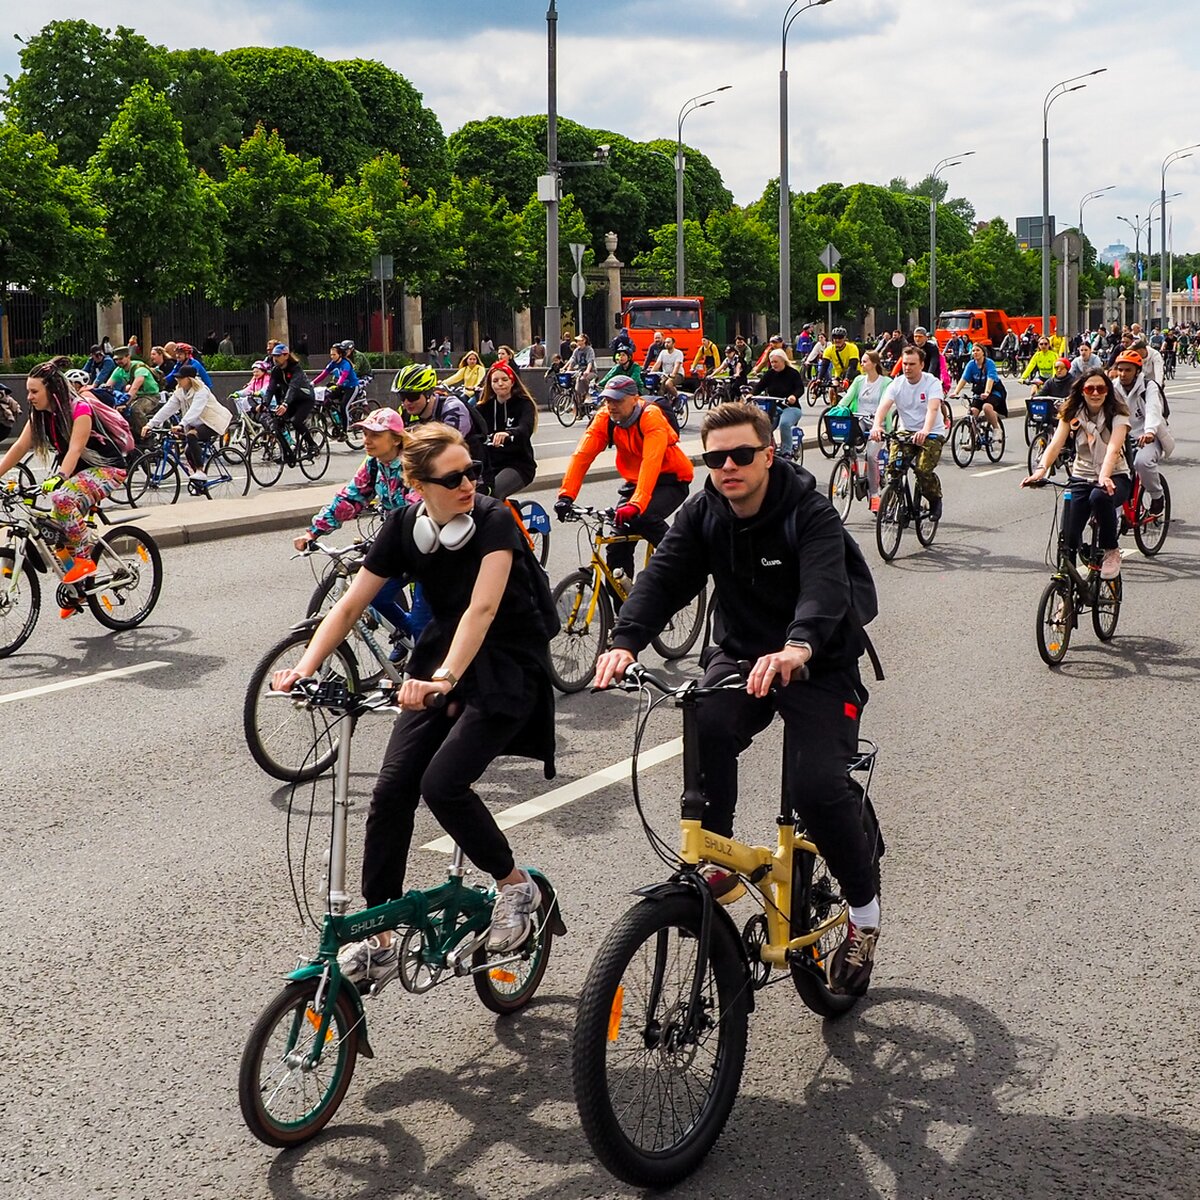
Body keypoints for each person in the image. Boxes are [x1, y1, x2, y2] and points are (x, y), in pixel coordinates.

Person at [593, 400, 882, 996]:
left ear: (768, 455)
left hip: (818, 661)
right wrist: (624, 642)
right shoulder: (703, 513)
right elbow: (665, 579)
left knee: (817, 789)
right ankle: (718, 855)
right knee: (707, 723)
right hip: (744, 654)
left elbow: (825, 589)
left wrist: (798, 647)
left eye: (742, 455)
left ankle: (863, 918)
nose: (728, 466)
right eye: (716, 457)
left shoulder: (810, 512)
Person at [272, 423, 556, 981]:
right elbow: (351, 605)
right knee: (391, 789)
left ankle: (515, 887)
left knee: (442, 785)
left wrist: (447, 677)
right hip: (438, 661)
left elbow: (482, 611)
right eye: (454, 478)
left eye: (473, 471)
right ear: (419, 485)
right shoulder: (405, 525)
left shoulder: (496, 521)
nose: (470, 483)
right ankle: (380, 935)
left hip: (503, 664)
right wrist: (304, 669)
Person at [294, 406, 427, 657]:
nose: (367, 440)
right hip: (397, 544)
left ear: (396, 438)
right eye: (365, 433)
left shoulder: (415, 463)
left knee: (423, 623)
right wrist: (313, 532)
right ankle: (410, 637)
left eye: (375, 435)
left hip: (426, 548)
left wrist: (388, 541)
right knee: (375, 595)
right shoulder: (375, 464)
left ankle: (425, 656)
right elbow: (351, 498)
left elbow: (417, 510)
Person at [0, 361, 128, 612]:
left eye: (34, 391)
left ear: (52, 389)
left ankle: (84, 560)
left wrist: (59, 477)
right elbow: (19, 447)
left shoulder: (80, 408)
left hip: (108, 469)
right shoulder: (40, 415)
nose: (29, 397)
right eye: (28, 391)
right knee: (55, 535)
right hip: (78, 474)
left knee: (62, 498)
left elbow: (75, 449)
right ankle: (78, 591)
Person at [555, 374, 693, 578]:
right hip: (636, 481)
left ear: (635, 398)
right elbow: (581, 456)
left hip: (671, 479)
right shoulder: (604, 418)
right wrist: (566, 496)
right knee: (617, 546)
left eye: (617, 400)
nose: (611, 405)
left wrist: (637, 504)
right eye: (608, 400)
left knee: (645, 517)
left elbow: (651, 460)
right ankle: (626, 606)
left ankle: (680, 567)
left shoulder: (651, 416)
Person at [1023, 368, 1131, 580]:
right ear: (1082, 391)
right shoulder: (1071, 413)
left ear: (1107, 391)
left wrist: (1105, 476)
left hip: (1115, 475)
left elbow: (1113, 449)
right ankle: (1066, 594)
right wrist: (1040, 471)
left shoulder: (1118, 414)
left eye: (1100, 388)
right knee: (1069, 538)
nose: (1095, 393)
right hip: (1081, 476)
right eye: (1090, 388)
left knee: (1099, 496)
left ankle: (1111, 550)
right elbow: (1054, 446)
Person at [870, 345, 947, 521]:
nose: (907, 367)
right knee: (893, 469)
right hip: (905, 432)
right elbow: (884, 406)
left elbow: (933, 409)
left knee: (922, 470)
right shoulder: (896, 383)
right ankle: (897, 504)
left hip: (931, 432)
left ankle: (935, 500)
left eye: (912, 364)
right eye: (905, 363)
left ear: (921, 365)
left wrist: (925, 430)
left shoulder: (932, 383)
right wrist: (876, 425)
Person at [144, 364, 231, 482]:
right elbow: (168, 409)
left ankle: (200, 471)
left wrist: (181, 424)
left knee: (191, 435)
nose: (177, 380)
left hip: (213, 422)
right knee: (188, 450)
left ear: (189, 379)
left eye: (181, 378)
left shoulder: (201, 391)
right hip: (196, 423)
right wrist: (150, 424)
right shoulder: (180, 392)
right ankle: (198, 480)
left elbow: (196, 409)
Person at [1112, 349, 1173, 516]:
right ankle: (1114, 517)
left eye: (1128, 370)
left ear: (1137, 371)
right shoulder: (1113, 387)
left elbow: (1153, 410)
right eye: (1120, 369)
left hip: (1147, 436)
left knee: (1142, 463)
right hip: (1121, 437)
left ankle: (1157, 495)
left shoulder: (1148, 386)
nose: (1123, 374)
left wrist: (1150, 432)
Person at [391, 362, 484, 463]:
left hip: (468, 470)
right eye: (402, 397)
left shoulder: (452, 408)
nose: (406, 402)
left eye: (412, 396)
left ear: (428, 393)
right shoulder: (405, 413)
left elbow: (445, 447)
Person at [476, 361, 537, 500]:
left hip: (518, 465)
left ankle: (504, 521)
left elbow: (525, 428)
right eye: (495, 380)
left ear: (512, 381)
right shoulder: (483, 408)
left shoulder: (524, 404)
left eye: (504, 379)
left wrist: (509, 433)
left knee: (493, 494)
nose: (500, 384)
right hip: (490, 466)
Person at [842, 349, 889, 511]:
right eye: (862, 361)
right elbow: (848, 397)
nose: (862, 364)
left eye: (865, 361)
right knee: (847, 441)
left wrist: (879, 422)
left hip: (878, 423)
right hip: (860, 419)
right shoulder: (859, 380)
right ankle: (848, 466)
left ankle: (874, 494)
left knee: (871, 455)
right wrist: (838, 409)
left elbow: (886, 404)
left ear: (874, 363)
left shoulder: (886, 383)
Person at [266, 343, 318, 465]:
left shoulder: (296, 369)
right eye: (273, 356)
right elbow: (271, 389)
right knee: (276, 425)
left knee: (296, 421)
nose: (275, 359)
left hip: (304, 400)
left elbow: (293, 388)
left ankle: (312, 445)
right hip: (291, 401)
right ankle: (287, 453)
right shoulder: (276, 371)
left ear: (286, 356)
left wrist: (284, 404)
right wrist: (264, 403)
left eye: (278, 356)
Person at [751, 348, 806, 456]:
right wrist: (751, 394)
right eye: (772, 362)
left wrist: (793, 396)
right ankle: (768, 447)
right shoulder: (770, 374)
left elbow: (800, 388)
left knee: (784, 424)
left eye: (776, 362)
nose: (773, 364)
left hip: (791, 408)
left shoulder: (793, 373)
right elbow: (760, 386)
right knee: (764, 426)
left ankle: (786, 451)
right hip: (774, 407)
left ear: (783, 361)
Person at [950, 343, 1008, 434]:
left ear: (983, 353)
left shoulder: (989, 363)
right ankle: (972, 440)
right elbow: (964, 379)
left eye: (977, 350)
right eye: (973, 351)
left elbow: (990, 378)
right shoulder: (971, 364)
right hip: (979, 392)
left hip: (994, 391)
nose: (975, 353)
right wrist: (956, 392)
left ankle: (997, 429)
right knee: (972, 414)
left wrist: (987, 392)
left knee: (987, 407)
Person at [107, 346, 161, 440]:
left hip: (151, 396)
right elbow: (108, 386)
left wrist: (125, 403)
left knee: (135, 410)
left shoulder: (139, 368)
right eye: (116, 359)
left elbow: (134, 388)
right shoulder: (119, 370)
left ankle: (147, 436)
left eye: (121, 358)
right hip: (136, 396)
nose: (118, 362)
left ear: (128, 357)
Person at [312, 342, 360, 427]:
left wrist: (339, 383)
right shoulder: (332, 363)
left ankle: (345, 431)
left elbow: (344, 375)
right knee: (326, 399)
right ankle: (337, 421)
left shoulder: (346, 364)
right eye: (331, 355)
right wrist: (312, 383)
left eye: (334, 355)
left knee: (343, 407)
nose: (332, 357)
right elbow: (323, 374)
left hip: (351, 387)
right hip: (341, 387)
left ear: (340, 354)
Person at [564, 334, 597, 407]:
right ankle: (579, 409)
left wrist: (587, 371)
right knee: (576, 390)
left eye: (579, 340)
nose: (578, 342)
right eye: (577, 341)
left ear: (584, 341)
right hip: (579, 372)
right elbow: (572, 360)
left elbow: (590, 361)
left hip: (591, 372)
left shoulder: (589, 349)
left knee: (583, 379)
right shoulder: (576, 350)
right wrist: (566, 369)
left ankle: (588, 395)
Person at [648, 335, 685, 402]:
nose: (666, 344)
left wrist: (673, 374)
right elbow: (658, 364)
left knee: (668, 384)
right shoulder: (663, 352)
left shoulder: (678, 353)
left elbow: (677, 365)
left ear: (673, 344)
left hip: (678, 374)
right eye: (665, 342)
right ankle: (662, 403)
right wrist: (651, 372)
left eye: (668, 342)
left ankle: (677, 399)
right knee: (659, 388)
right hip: (665, 374)